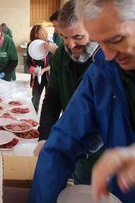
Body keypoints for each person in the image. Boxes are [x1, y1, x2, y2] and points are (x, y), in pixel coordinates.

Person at [28, 0, 135, 202]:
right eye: (100, 42)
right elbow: (64, 142)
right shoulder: (103, 70)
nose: (108, 55)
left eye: (117, 39)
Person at [34, 0, 101, 186]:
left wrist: (67, 148)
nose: (70, 45)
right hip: (71, 144)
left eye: (78, 37)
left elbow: (104, 122)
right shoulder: (61, 56)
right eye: (63, 37)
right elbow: (52, 99)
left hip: (104, 154)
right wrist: (45, 136)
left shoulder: (108, 61)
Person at [26, 24, 54, 112]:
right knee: (35, 99)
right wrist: (32, 69)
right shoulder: (30, 46)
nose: (37, 39)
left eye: (39, 37)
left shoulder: (50, 45)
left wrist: (43, 70)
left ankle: (46, 120)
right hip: (37, 76)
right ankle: (33, 120)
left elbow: (54, 64)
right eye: (35, 38)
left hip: (49, 76)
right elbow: (28, 61)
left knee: (50, 100)